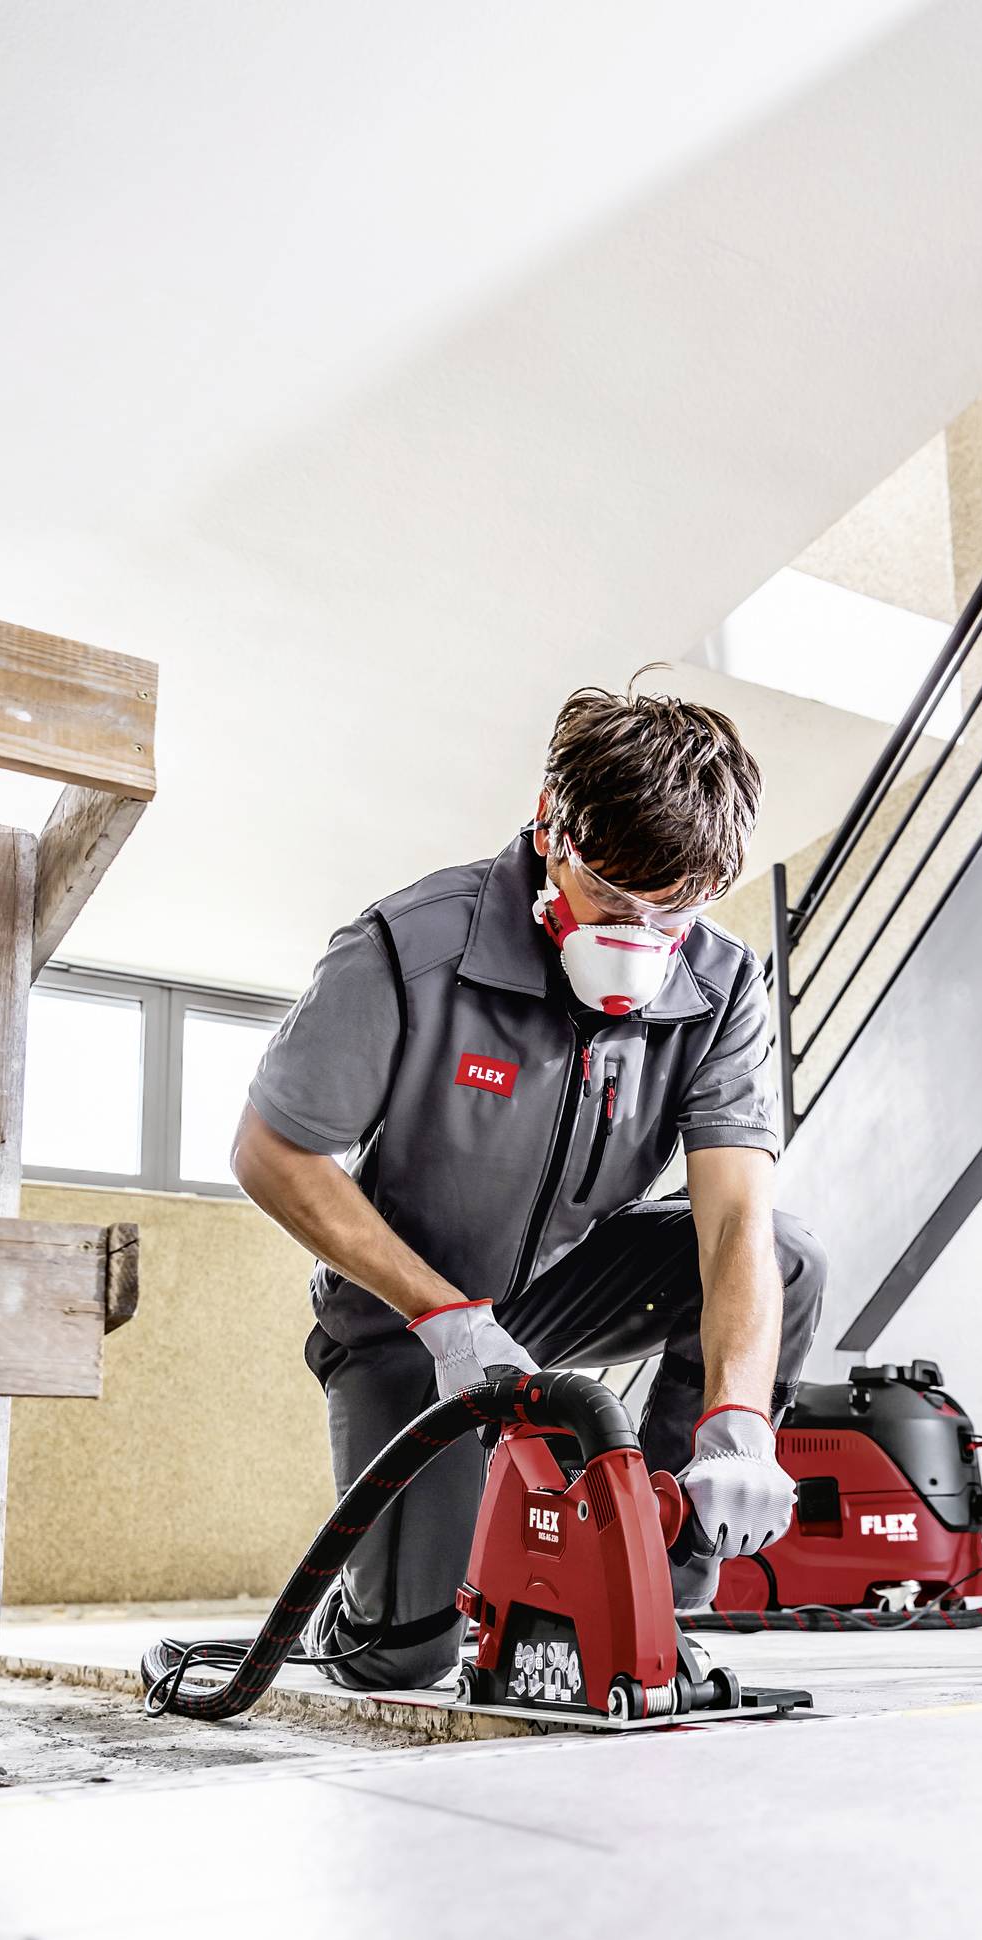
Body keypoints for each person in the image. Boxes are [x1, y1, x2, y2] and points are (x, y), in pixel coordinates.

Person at [232, 679, 828, 1688]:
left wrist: (738, 1419)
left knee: (788, 1256)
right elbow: (270, 1151)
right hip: (404, 1313)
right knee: (407, 1655)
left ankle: (650, 1592)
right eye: (613, 899)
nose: (640, 937)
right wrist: (444, 1319)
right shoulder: (412, 946)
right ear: (552, 825)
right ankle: (369, 1607)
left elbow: (733, 1222)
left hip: (568, 1287)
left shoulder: (721, 985)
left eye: (672, 909)